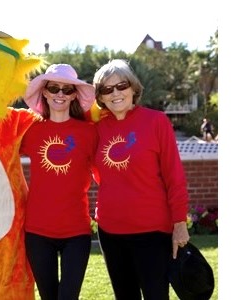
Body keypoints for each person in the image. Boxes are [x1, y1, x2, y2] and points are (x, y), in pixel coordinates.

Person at [92, 59, 190, 299]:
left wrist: (179, 224)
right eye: (106, 89)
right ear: (101, 98)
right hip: (110, 231)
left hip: (152, 232)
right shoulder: (95, 129)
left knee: (156, 295)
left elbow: (174, 176)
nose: (115, 93)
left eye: (121, 85)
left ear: (133, 88)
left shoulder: (156, 122)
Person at [20, 64, 98, 300]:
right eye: (54, 88)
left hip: (77, 231)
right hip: (37, 231)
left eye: (67, 89)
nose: (60, 95)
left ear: (74, 94)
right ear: (45, 91)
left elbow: (105, 171)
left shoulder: (89, 132)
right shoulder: (30, 130)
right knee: (48, 296)